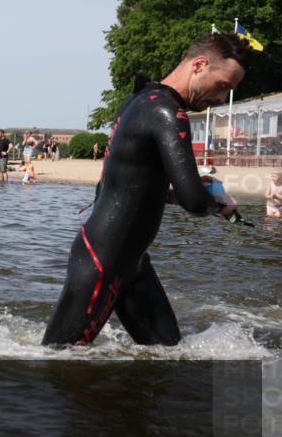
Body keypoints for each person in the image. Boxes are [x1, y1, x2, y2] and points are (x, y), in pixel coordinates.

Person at [42, 33, 252, 346]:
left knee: (171, 356)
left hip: (132, 261)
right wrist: (220, 205)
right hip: (103, 262)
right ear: (199, 65)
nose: (222, 98)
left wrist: (170, 195)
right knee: (57, 362)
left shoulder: (140, 101)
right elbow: (195, 201)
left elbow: (123, 183)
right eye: (223, 85)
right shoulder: (167, 111)